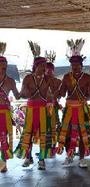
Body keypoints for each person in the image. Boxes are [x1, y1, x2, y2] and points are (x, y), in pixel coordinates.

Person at [14, 41, 54, 170]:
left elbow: (53, 95)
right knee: (28, 133)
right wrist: (22, 94)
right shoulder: (27, 78)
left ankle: (41, 160)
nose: (45, 67)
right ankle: (28, 157)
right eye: (42, 65)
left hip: (43, 109)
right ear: (36, 66)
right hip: (31, 109)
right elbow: (20, 95)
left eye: (45, 65)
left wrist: (53, 95)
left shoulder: (47, 79)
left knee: (43, 134)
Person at [57, 39, 90, 168]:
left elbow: (89, 96)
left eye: (77, 65)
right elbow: (61, 93)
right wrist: (53, 91)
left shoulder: (87, 78)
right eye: (73, 65)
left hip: (81, 109)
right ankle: (69, 155)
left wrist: (86, 98)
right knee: (66, 133)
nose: (75, 67)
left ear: (81, 65)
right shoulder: (66, 77)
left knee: (83, 134)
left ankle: (82, 158)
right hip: (69, 108)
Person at [0, 43, 21, 172]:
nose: (4, 68)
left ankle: (3, 164)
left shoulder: (11, 81)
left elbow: (18, 96)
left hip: (4, 113)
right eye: (2, 67)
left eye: (5, 67)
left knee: (4, 138)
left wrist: (29, 92)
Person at [45, 50, 62, 155]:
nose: (48, 72)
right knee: (44, 128)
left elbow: (61, 94)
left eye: (50, 70)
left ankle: (53, 147)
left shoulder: (57, 81)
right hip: (43, 107)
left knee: (54, 127)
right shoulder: (41, 81)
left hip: (53, 106)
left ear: (53, 71)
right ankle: (46, 147)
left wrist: (56, 96)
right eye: (46, 70)